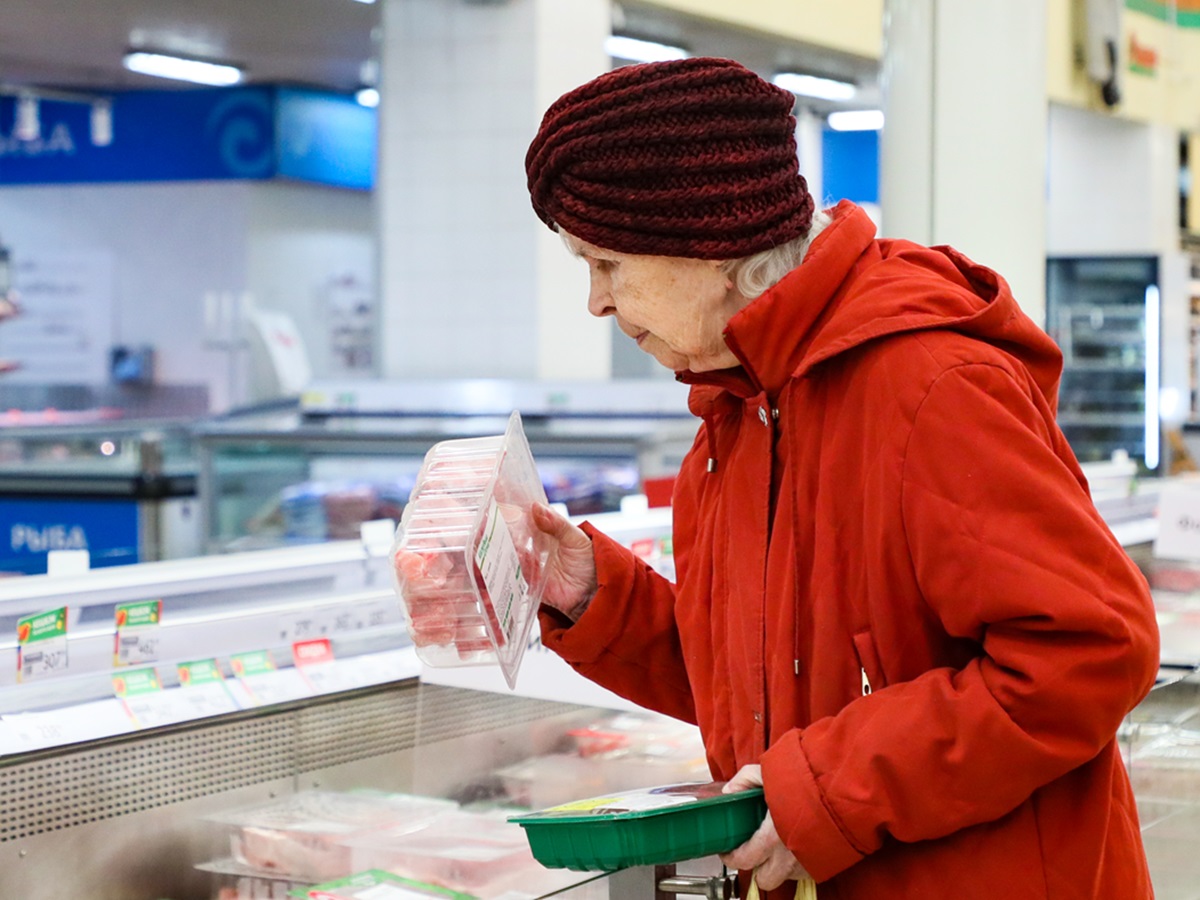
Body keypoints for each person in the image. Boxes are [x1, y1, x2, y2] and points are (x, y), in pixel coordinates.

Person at [523, 57, 1160, 899]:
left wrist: (829, 788)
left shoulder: (930, 385)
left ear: (706, 244)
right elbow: (761, 683)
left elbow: (1086, 651)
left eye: (604, 262)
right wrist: (593, 597)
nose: (597, 304)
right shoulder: (739, 412)